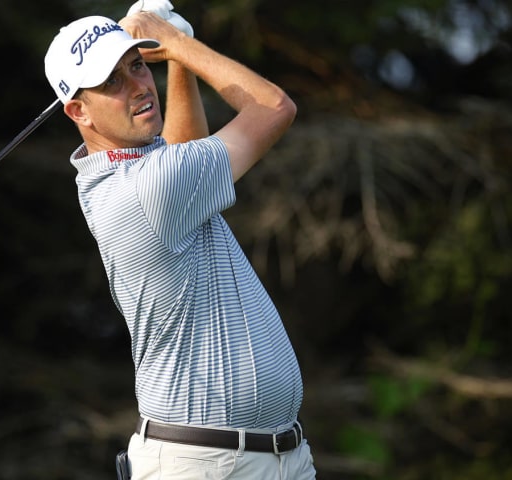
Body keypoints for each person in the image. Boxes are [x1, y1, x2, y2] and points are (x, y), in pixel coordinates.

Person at [43, 11, 315, 479]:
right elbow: (274, 108)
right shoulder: (145, 191)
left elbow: (179, 149)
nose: (138, 86)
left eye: (137, 65)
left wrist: (176, 62)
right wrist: (173, 43)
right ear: (78, 111)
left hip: (275, 457)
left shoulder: (137, 175)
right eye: (111, 82)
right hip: (204, 465)